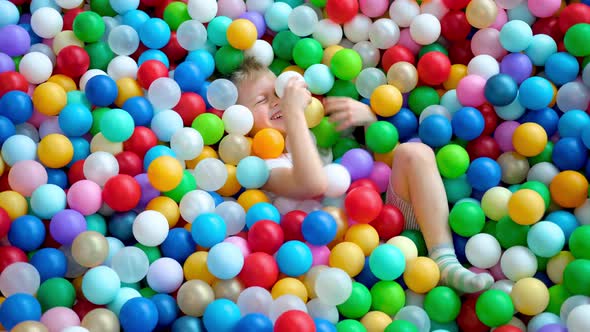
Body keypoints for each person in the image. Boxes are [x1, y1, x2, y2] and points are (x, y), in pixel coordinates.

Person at [229, 57, 494, 294]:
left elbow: (369, 161)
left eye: (278, 93)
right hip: (343, 265)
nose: (277, 102)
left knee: (415, 153)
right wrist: (294, 112)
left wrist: (367, 119)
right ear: (238, 122)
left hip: (388, 229)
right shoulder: (261, 168)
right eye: (262, 100)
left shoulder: (316, 134)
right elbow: (312, 184)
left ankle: (444, 261)